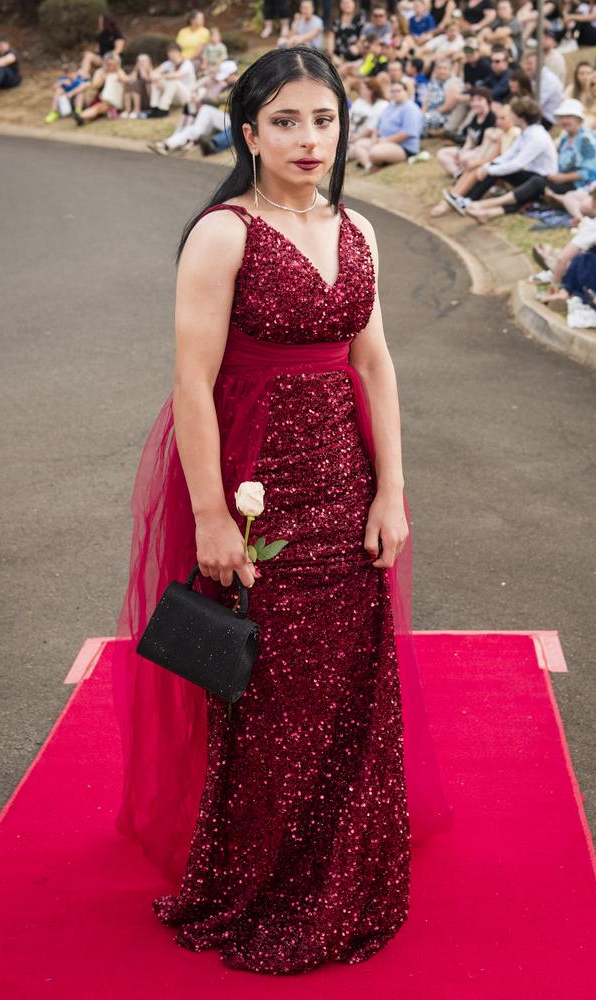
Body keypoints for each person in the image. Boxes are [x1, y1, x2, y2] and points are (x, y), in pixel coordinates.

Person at [109, 43, 453, 975]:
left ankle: (349, 871)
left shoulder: (359, 230)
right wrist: (214, 517)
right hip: (261, 485)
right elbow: (192, 380)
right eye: (288, 121)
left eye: (325, 120)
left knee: (348, 677)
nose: (310, 139)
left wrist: (394, 490)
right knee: (267, 689)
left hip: (346, 479)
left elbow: (374, 364)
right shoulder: (223, 233)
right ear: (250, 132)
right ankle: (261, 877)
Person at [464, 97, 596, 222]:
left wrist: (560, 178)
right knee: (532, 189)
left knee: (537, 184)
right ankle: (488, 212)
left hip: (578, 186)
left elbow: (589, 172)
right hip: (557, 179)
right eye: (563, 117)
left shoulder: (585, 139)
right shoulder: (565, 138)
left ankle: (486, 205)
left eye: (569, 117)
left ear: (578, 119)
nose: (565, 121)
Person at [444, 95, 558, 215]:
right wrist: (487, 166)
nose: (511, 116)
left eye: (512, 113)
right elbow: (508, 155)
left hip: (541, 178)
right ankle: (465, 199)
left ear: (520, 116)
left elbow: (517, 164)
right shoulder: (526, 133)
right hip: (531, 174)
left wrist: (489, 170)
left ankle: (468, 200)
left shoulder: (537, 136)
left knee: (495, 171)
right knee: (493, 168)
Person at [351, 76, 423, 170]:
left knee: (375, 152)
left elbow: (407, 133)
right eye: (392, 91)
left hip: (403, 146)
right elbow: (377, 125)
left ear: (406, 92)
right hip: (382, 140)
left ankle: (373, 162)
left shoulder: (411, 108)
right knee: (359, 145)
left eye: (398, 91)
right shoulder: (391, 106)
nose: (395, 93)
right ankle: (369, 166)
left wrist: (385, 140)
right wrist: (374, 138)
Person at [72, 51, 127, 126]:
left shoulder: (119, 72)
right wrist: (104, 78)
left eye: (113, 64)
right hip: (100, 98)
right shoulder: (100, 72)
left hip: (113, 101)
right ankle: (82, 118)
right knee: (98, 107)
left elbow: (125, 81)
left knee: (99, 108)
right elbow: (95, 85)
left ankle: (82, 116)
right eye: (109, 64)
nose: (111, 66)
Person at [149, 43, 197, 117]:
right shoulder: (168, 63)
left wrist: (161, 77)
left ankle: (163, 109)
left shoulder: (187, 63)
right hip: (173, 94)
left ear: (179, 53)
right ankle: (154, 108)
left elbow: (177, 75)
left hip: (187, 95)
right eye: (170, 52)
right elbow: (153, 73)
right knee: (156, 83)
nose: (172, 54)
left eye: (174, 52)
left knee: (173, 82)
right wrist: (156, 78)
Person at [80, 14, 124, 79]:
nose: (99, 24)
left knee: (92, 56)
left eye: (100, 22)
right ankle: (83, 77)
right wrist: (90, 52)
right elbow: (98, 50)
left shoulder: (116, 33)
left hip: (113, 58)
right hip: (101, 58)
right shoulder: (101, 35)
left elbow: (119, 49)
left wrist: (108, 56)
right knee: (88, 55)